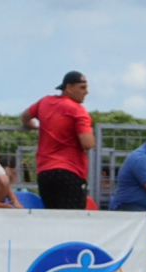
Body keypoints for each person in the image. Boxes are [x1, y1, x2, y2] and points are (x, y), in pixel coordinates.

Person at [20, 71, 94, 210]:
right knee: (72, 217)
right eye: (82, 87)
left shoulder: (45, 102)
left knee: (52, 216)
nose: (86, 92)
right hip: (70, 170)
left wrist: (30, 125)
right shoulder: (78, 111)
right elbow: (87, 143)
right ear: (69, 87)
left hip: (45, 172)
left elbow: (25, 116)